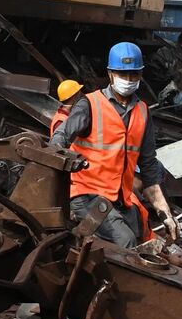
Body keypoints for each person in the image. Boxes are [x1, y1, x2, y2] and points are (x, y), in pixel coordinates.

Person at [50, 42, 175, 245]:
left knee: (141, 235)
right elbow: (60, 139)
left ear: (140, 75)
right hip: (87, 194)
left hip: (120, 198)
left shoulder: (142, 111)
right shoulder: (90, 104)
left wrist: (165, 214)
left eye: (134, 74)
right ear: (110, 74)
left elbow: (149, 166)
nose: (128, 79)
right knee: (125, 241)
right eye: (122, 74)